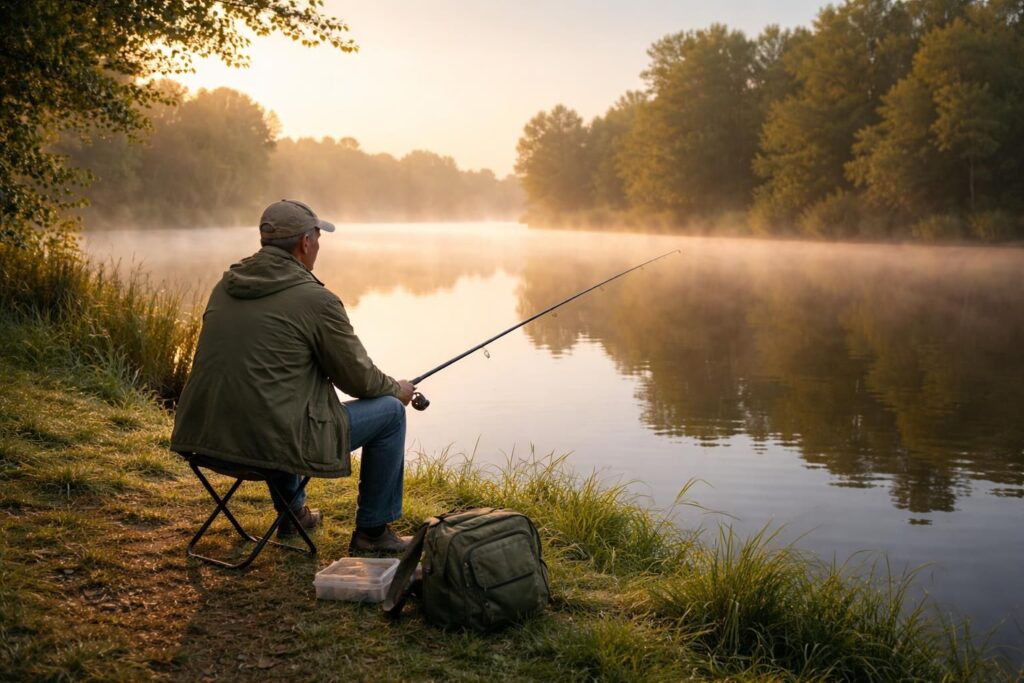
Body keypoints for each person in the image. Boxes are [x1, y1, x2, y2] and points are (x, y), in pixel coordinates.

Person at [171, 199, 416, 554]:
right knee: (391, 413)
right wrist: (397, 389)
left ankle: (293, 515)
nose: (318, 246)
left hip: (206, 437)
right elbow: (358, 379)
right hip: (265, 444)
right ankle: (373, 534)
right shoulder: (317, 301)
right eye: (318, 238)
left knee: (277, 399)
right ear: (305, 243)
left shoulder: (225, 286)